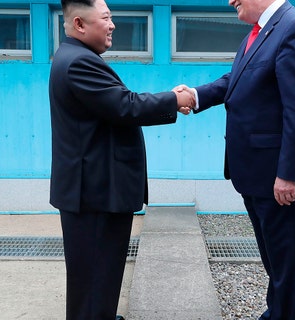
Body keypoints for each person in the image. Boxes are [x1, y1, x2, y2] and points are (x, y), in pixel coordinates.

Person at [177, 0, 295, 318]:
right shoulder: (258, 33)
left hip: (279, 178)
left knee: (287, 270)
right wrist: (197, 94)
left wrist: (289, 174)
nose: (231, 1)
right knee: (276, 264)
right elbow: (238, 80)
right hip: (256, 174)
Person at [48, 0, 194, 319]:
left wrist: (168, 100)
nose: (112, 25)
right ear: (79, 24)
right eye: (105, 18)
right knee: (96, 277)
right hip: (95, 193)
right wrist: (175, 99)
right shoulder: (78, 62)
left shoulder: (75, 56)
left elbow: (117, 106)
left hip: (94, 190)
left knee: (99, 275)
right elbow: (124, 106)